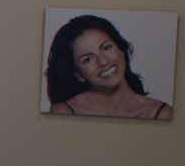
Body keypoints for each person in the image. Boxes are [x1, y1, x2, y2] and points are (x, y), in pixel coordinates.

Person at [45, 14, 173, 119]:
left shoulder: (162, 114)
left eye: (107, 48)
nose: (103, 62)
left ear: (121, 50)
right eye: (87, 59)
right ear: (79, 74)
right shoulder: (64, 112)